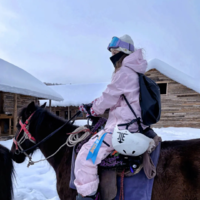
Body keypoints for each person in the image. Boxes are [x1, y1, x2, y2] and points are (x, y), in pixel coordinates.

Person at [74, 34, 153, 200]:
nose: (112, 56)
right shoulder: (134, 72)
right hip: (131, 124)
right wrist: (96, 104)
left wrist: (92, 110)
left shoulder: (124, 72)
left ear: (122, 52)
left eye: (114, 52)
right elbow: (114, 97)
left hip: (121, 128)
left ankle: (87, 197)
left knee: (85, 157)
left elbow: (108, 97)